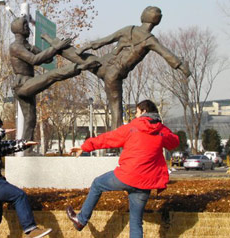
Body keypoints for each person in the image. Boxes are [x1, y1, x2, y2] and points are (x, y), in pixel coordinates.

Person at [40, 6, 191, 131]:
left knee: (73, 53)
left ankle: (51, 41)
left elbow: (104, 41)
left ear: (142, 17)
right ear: (156, 22)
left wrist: (86, 46)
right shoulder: (150, 41)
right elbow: (167, 55)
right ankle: (117, 146)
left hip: (101, 64)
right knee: (116, 110)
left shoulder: (129, 29)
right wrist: (184, 69)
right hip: (114, 74)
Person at [66, 100, 179, 238]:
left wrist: (85, 146)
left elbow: (108, 139)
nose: (135, 115)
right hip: (146, 183)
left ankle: (81, 220)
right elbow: (174, 142)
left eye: (137, 112)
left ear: (144, 111)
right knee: (136, 222)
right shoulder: (162, 131)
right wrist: (164, 131)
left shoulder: (133, 127)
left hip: (126, 176)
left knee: (97, 184)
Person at [10, 16, 99, 144]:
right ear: (18, 29)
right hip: (22, 85)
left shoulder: (27, 46)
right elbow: (34, 60)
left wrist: (52, 46)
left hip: (29, 83)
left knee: (30, 119)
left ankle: (26, 149)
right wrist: (55, 48)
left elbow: (47, 59)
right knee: (52, 75)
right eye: (25, 26)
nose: (28, 29)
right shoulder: (15, 47)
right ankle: (79, 67)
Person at [0, 114, 51, 238]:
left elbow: (6, 146)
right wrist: (1, 132)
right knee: (19, 195)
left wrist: (24, 144)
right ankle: (31, 230)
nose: (0, 131)